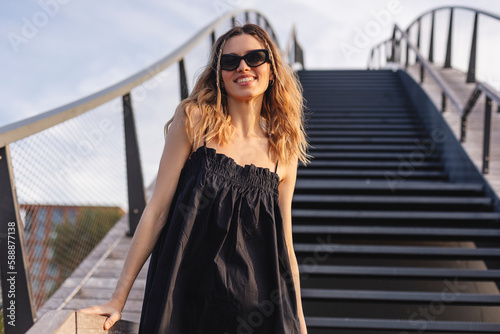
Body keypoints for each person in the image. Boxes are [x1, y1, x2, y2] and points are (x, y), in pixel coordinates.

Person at [79, 22, 310, 333]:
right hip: (182, 300)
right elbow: (157, 211)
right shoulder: (194, 120)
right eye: (229, 61)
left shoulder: (282, 150)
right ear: (219, 73)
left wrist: (300, 324)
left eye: (254, 57)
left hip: (255, 312)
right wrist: (118, 298)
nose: (242, 66)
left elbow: (285, 247)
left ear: (271, 69)